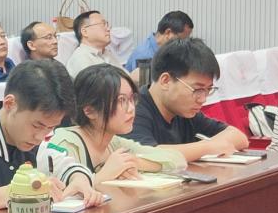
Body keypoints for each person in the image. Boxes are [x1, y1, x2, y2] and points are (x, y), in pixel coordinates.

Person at [0, 59, 104, 210]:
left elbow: (66, 164)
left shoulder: (34, 144)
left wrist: (79, 179)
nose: (40, 137)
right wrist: (19, 191)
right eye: (37, 125)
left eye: (50, 128)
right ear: (10, 104)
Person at [50, 64, 186, 185]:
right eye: (121, 100)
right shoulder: (65, 143)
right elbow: (55, 195)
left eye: (132, 99)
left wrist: (134, 163)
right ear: (90, 111)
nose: (131, 108)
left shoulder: (113, 142)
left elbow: (177, 159)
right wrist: (104, 174)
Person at [123, 37, 249, 161]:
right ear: (166, 81)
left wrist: (207, 147)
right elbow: (146, 155)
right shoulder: (132, 110)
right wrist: (207, 148)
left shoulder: (184, 112)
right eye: (197, 89)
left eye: (208, 89)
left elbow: (239, 137)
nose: (203, 99)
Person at [126, 11, 194, 71]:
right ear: (168, 33)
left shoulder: (167, 50)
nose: (184, 44)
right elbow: (144, 82)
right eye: (182, 40)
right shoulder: (144, 55)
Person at [66, 10, 124, 77]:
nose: (108, 29)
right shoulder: (80, 59)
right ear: (85, 32)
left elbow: (126, 77)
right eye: (103, 24)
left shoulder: (106, 54)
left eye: (107, 24)